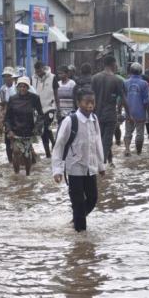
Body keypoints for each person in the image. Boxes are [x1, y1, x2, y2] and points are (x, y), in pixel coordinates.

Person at [52, 89, 105, 232]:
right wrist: (57, 170)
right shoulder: (70, 121)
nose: (90, 105)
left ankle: (76, 220)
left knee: (93, 199)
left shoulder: (94, 119)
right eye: (86, 102)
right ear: (78, 103)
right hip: (74, 168)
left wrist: (101, 165)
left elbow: (97, 142)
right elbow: (59, 145)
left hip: (90, 167)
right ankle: (80, 240)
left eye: (92, 102)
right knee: (78, 202)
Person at [5, 76, 44, 176]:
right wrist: (9, 130)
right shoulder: (12, 99)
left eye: (25, 87)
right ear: (17, 87)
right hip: (15, 130)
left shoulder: (34, 98)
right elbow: (8, 117)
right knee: (16, 151)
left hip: (28, 131)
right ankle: (17, 174)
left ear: (28, 87)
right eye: (20, 86)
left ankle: (27, 175)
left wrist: (37, 127)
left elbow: (40, 114)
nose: (22, 89)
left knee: (27, 155)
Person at [91, 56, 126, 165]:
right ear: (113, 64)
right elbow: (123, 98)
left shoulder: (95, 78)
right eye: (115, 64)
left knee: (99, 139)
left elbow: (90, 97)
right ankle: (102, 163)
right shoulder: (117, 80)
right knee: (107, 141)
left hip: (96, 114)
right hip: (110, 115)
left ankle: (104, 161)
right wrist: (129, 113)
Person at [32, 61, 59, 158]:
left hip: (50, 107)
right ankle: (52, 146)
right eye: (36, 71)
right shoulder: (33, 78)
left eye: (39, 71)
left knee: (44, 128)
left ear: (43, 68)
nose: (38, 73)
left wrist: (58, 108)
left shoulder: (52, 77)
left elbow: (56, 94)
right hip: (39, 109)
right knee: (45, 130)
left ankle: (49, 152)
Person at [123, 63, 149, 156]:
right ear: (141, 72)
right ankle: (138, 152)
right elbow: (146, 101)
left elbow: (122, 99)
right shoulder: (144, 84)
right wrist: (148, 113)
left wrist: (120, 111)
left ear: (130, 71)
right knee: (140, 133)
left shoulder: (125, 83)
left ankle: (127, 149)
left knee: (128, 132)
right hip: (140, 111)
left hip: (128, 111)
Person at [0, 67, 17, 163]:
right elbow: (3, 105)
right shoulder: (2, 89)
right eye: (5, 77)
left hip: (19, 117)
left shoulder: (18, 87)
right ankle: (10, 162)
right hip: (8, 117)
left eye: (8, 76)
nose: (7, 78)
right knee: (7, 141)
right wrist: (1, 119)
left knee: (20, 140)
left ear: (13, 77)